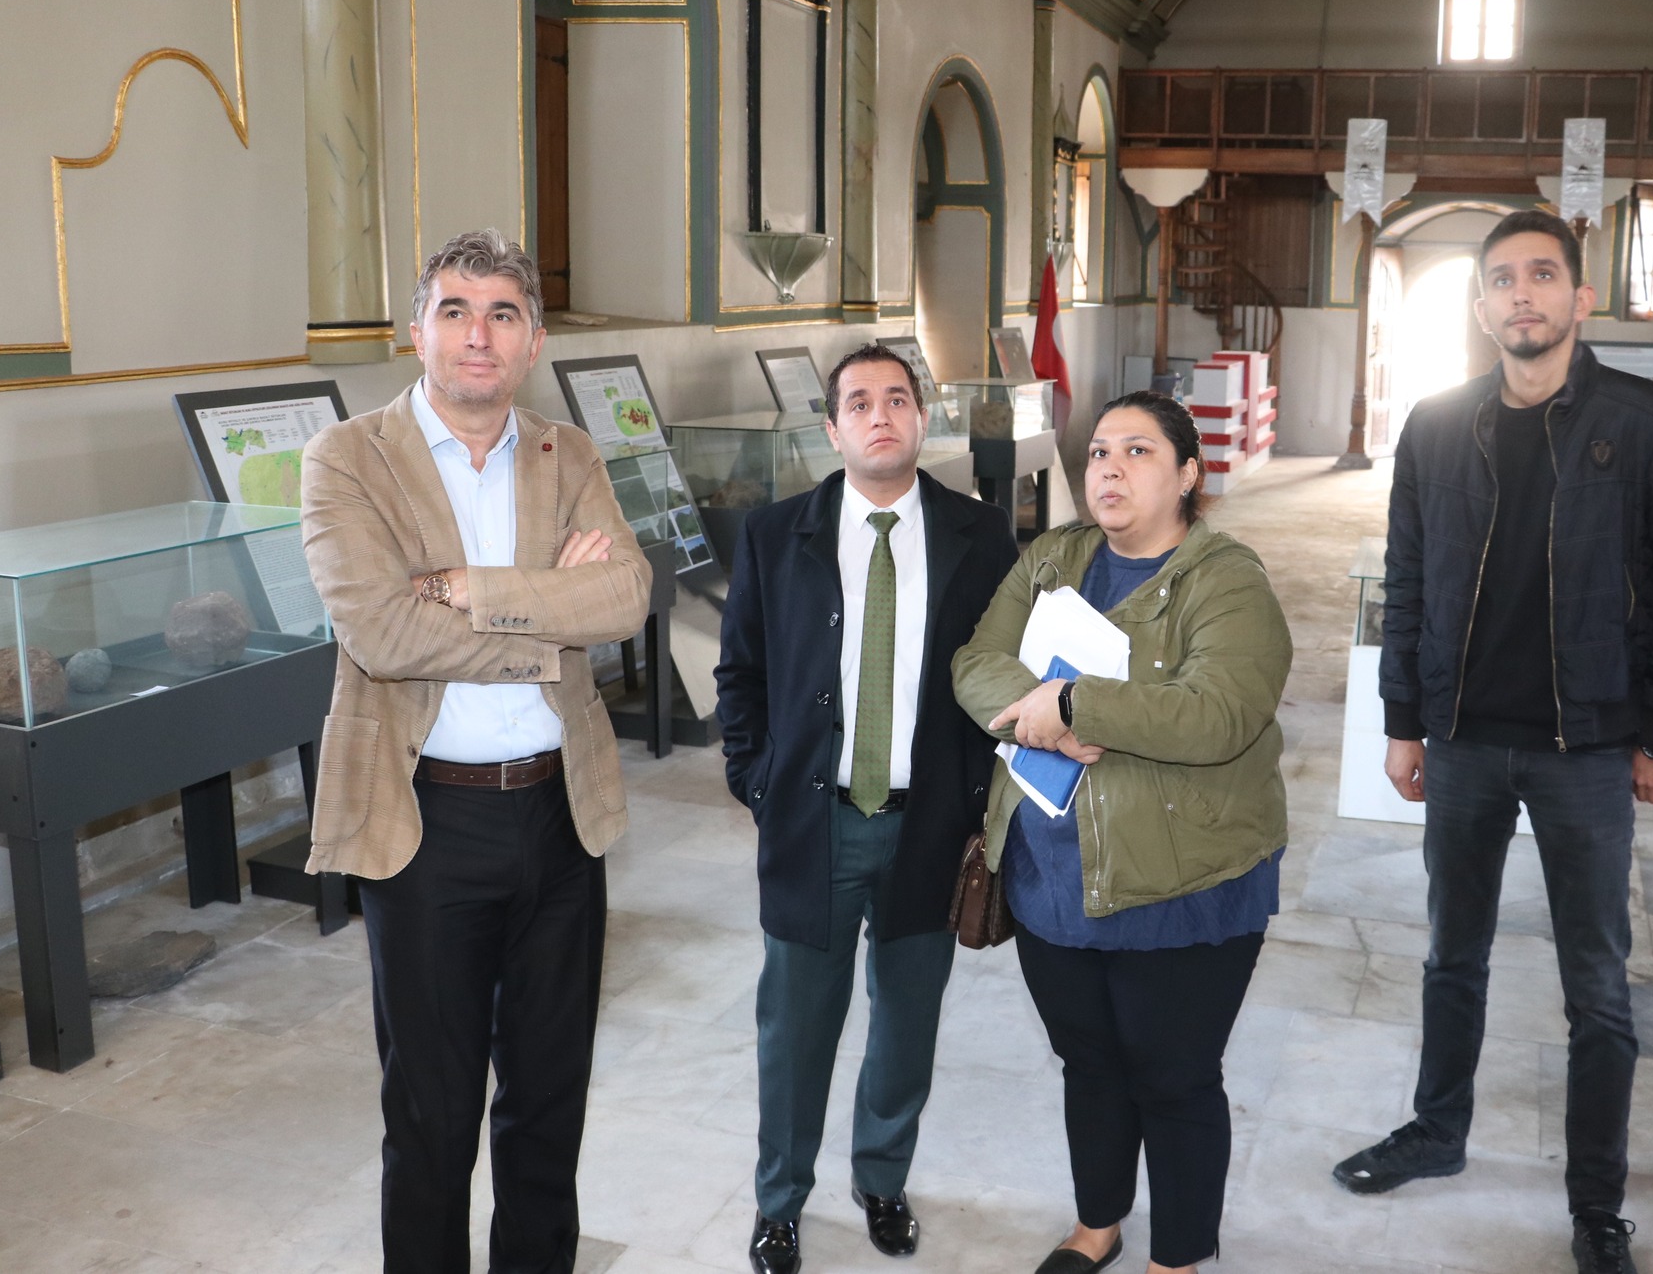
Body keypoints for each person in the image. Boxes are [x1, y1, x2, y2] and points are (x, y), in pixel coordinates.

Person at [1341, 209, 1653, 1274]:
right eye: (1504, 278)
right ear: (1481, 306)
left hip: (1587, 747)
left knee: (1596, 988)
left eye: (1543, 275)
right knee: (1449, 956)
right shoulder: (1435, 425)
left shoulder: (1648, 423)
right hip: (1464, 739)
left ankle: (1595, 1204)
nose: (1523, 293)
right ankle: (1437, 1129)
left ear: (1579, 297)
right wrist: (1403, 721)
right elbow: (1407, 582)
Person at [299, 229, 653, 1274]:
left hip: (559, 817)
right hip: (425, 824)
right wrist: (551, 615)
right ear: (416, 333)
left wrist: (469, 591)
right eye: (453, 310)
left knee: (548, 1102)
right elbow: (384, 634)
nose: (477, 335)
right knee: (432, 1112)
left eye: (503, 313)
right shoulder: (347, 459)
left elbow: (625, 598)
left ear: (533, 340)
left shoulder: (567, 452)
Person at [952, 391, 1292, 1274]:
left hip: (1181, 881)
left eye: (1138, 451)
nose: (1109, 467)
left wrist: (1074, 702)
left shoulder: (1226, 578)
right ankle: (1097, 1223)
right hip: (1051, 873)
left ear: (1187, 474)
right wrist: (1042, 714)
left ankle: (1176, 1257)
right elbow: (977, 661)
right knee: (1089, 1062)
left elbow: (1221, 712)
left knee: (1173, 1077)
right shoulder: (1054, 558)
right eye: (1100, 450)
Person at [715, 344, 1016, 1274]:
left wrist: (981, 801)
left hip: (931, 824)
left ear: (922, 418)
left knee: (907, 1021)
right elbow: (741, 672)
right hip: (816, 822)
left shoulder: (980, 534)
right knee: (795, 1028)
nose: (879, 415)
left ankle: (882, 1180)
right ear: (832, 427)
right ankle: (779, 1202)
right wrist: (757, 781)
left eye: (896, 399)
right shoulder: (776, 534)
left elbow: (1006, 670)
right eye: (858, 402)